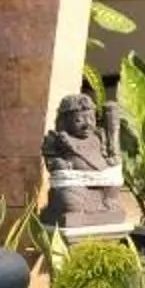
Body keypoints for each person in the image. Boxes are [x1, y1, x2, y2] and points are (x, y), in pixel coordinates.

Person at [40, 91, 129, 233]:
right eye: (78, 120)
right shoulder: (57, 139)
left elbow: (107, 156)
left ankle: (106, 203)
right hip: (74, 186)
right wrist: (59, 163)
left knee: (113, 192)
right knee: (70, 203)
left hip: (101, 185)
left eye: (91, 119)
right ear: (65, 121)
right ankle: (78, 208)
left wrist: (111, 162)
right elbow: (51, 160)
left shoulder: (99, 137)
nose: (87, 125)